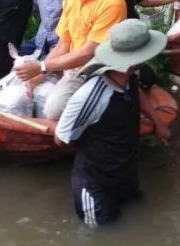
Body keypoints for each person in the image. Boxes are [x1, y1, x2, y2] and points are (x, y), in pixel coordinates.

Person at [53, 19, 170, 228]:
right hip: (95, 186)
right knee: (104, 234)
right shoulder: (91, 95)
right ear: (134, 61)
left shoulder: (128, 77)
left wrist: (158, 123)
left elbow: (138, 94)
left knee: (139, 216)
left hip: (125, 174)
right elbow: (61, 138)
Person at [14, 0, 127, 120]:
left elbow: (89, 53)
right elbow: (63, 44)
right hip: (75, 68)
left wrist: (43, 66)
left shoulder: (111, 2)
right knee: (26, 89)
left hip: (97, 71)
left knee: (53, 110)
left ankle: (98, 115)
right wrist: (39, 72)